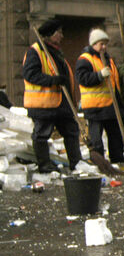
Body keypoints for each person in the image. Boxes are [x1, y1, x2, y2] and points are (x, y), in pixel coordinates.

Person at [22, 19, 83, 173]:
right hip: (44, 104)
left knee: (71, 132)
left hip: (62, 104)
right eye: (59, 32)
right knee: (42, 135)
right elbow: (30, 75)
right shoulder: (35, 52)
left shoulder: (56, 52)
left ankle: (77, 163)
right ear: (49, 34)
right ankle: (44, 165)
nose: (62, 36)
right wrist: (53, 80)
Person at [74, 28, 124, 164]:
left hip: (110, 105)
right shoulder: (85, 60)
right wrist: (98, 75)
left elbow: (114, 82)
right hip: (95, 106)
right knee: (96, 137)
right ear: (93, 44)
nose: (104, 47)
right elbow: (82, 78)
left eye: (105, 44)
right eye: (101, 44)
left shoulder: (108, 59)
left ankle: (117, 157)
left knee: (114, 133)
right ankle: (99, 160)